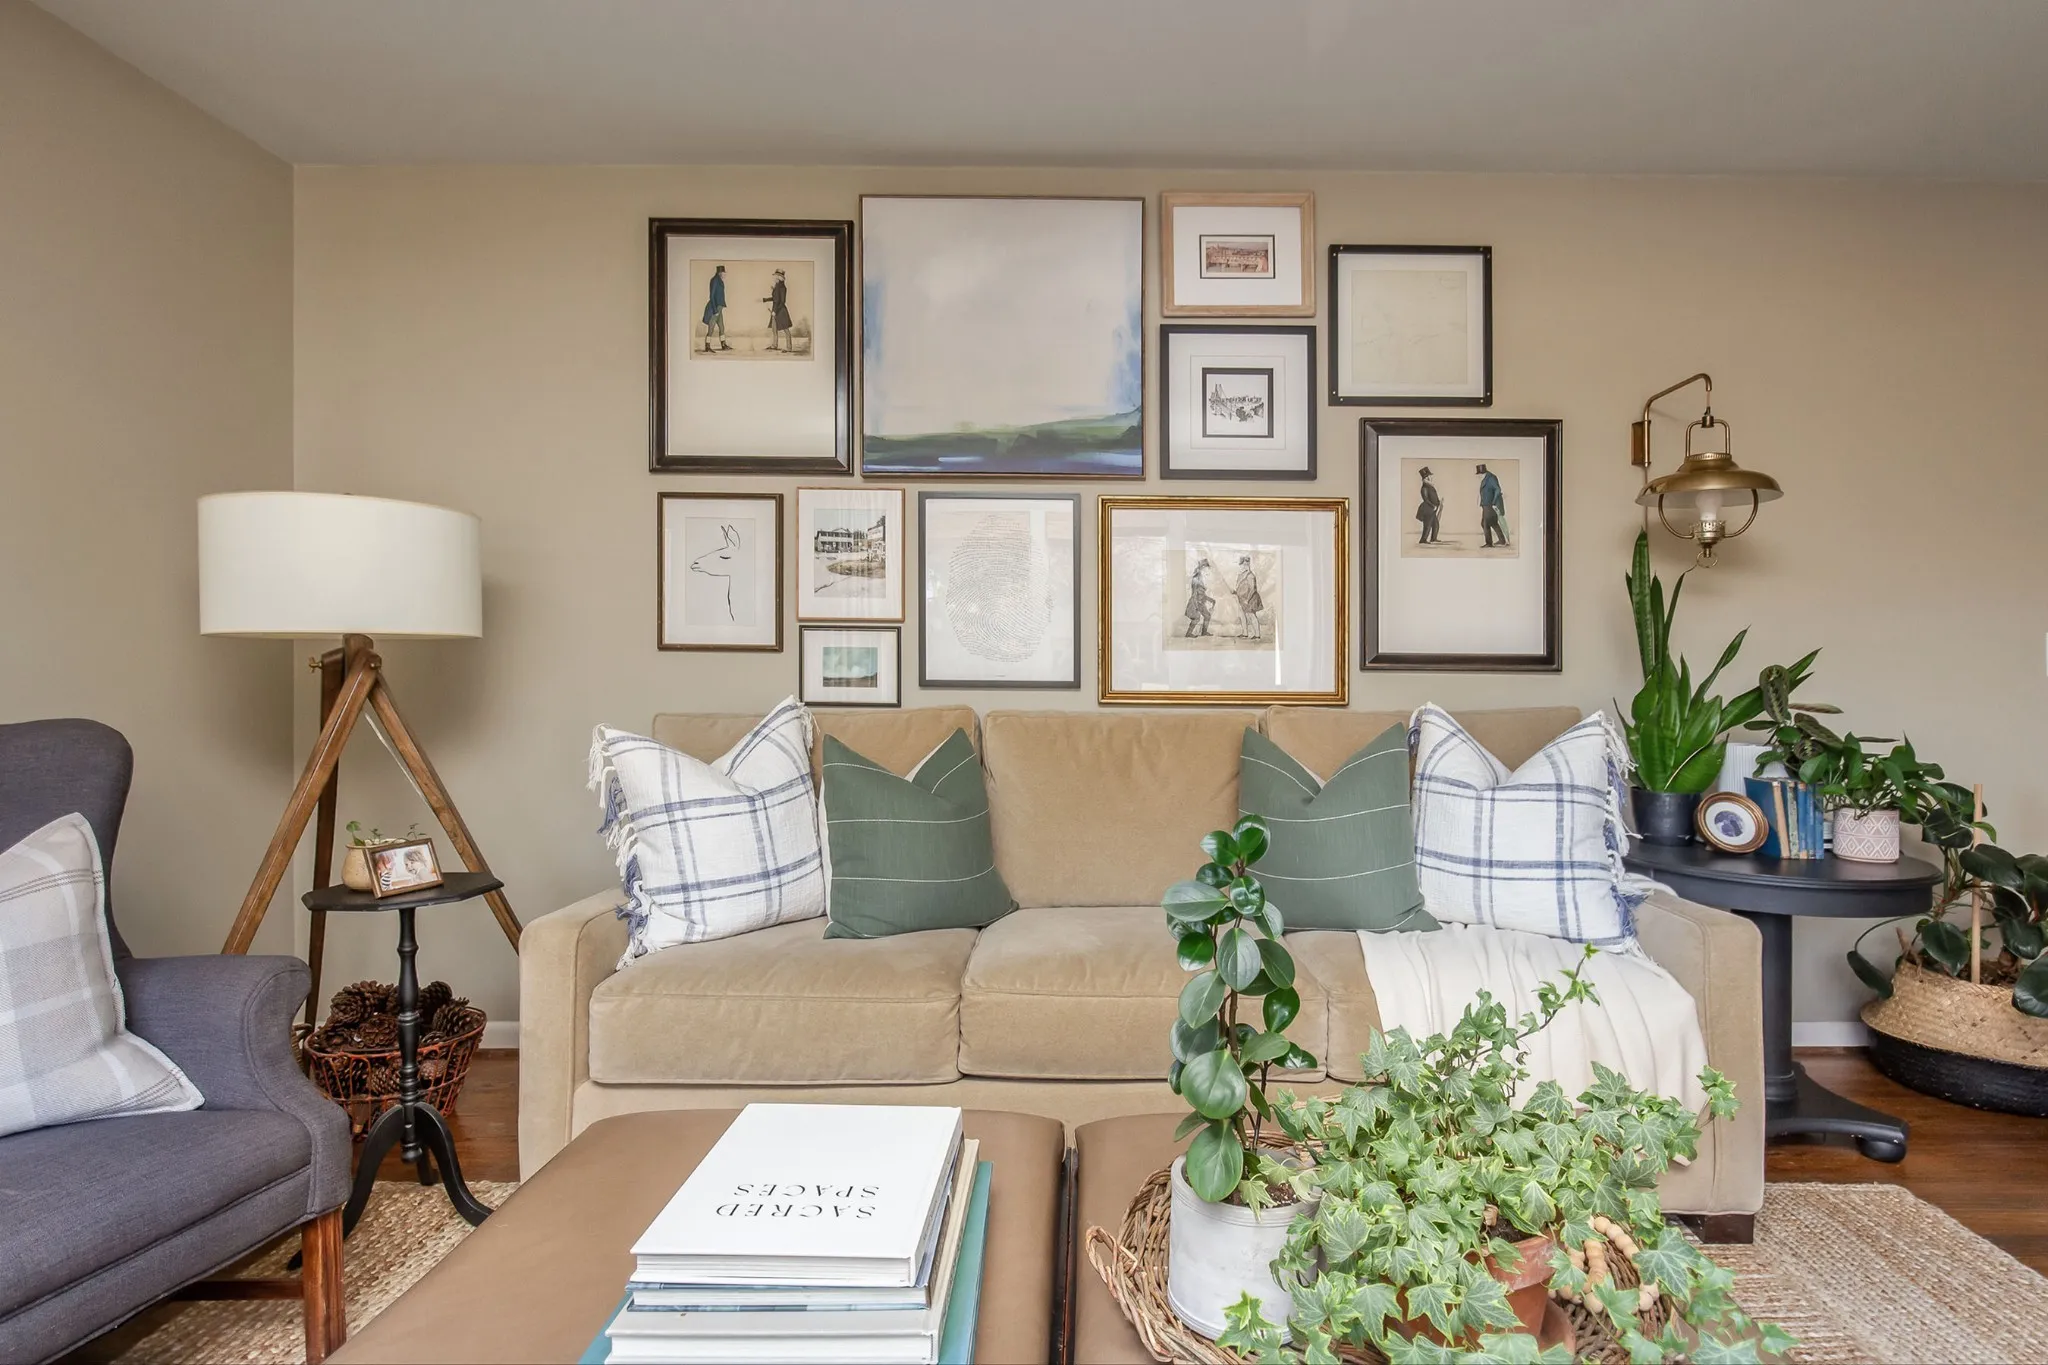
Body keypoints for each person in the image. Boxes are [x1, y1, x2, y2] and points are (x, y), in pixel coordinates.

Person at [1231, 555, 1264, 641]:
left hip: (1250, 598)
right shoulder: (1241, 575)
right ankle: (1245, 633)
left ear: (1248, 564)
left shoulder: (1250, 575)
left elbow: (1252, 589)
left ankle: (1257, 635)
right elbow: (1241, 587)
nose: (1244, 566)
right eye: (1242, 564)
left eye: (1246, 564)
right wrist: (1235, 592)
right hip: (1241, 598)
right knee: (1242, 615)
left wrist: (1247, 599)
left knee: (1251, 615)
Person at [761, 268, 794, 352]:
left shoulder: (782, 287)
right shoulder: (777, 286)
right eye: (775, 276)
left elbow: (782, 301)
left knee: (786, 329)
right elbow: (775, 298)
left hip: (781, 311)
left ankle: (789, 348)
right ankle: (774, 345)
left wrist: (775, 311)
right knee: (774, 329)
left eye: (776, 276)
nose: (774, 277)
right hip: (775, 311)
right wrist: (765, 299)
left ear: (780, 277)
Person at [700, 264, 731, 352]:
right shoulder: (715, 280)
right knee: (711, 327)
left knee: (721, 327)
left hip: (719, 307)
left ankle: (723, 345)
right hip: (715, 308)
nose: (725, 274)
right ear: (720, 273)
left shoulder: (719, 280)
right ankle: (707, 346)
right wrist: (715, 310)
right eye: (724, 273)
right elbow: (712, 296)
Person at [1477, 462, 1508, 548]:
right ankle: (1502, 540)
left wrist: (1493, 502)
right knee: (1492, 522)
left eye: (1479, 474)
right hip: (1486, 504)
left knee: (1485, 523)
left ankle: (1489, 543)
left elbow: (1498, 489)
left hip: (1489, 504)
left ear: (1483, 473)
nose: (1478, 476)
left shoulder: (1490, 478)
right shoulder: (1486, 478)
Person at [1182, 559, 1214, 638]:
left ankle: (1204, 632)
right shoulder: (1196, 578)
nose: (1207, 569)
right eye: (1206, 567)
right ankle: (1188, 633)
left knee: (1207, 616)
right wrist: (1196, 604)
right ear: (1202, 567)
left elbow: (1202, 594)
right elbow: (1196, 593)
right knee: (1196, 618)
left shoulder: (1201, 578)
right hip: (1195, 601)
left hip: (1200, 601)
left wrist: (1210, 600)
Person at [1415, 466, 1442, 544]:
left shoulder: (1430, 486)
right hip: (1428, 509)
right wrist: (1433, 506)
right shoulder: (1424, 488)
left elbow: (1433, 496)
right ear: (1426, 478)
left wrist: (1438, 502)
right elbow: (1425, 499)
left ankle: (1433, 538)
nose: (1430, 477)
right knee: (1427, 525)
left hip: (1432, 509)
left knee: (1435, 524)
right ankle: (1423, 540)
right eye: (1429, 476)